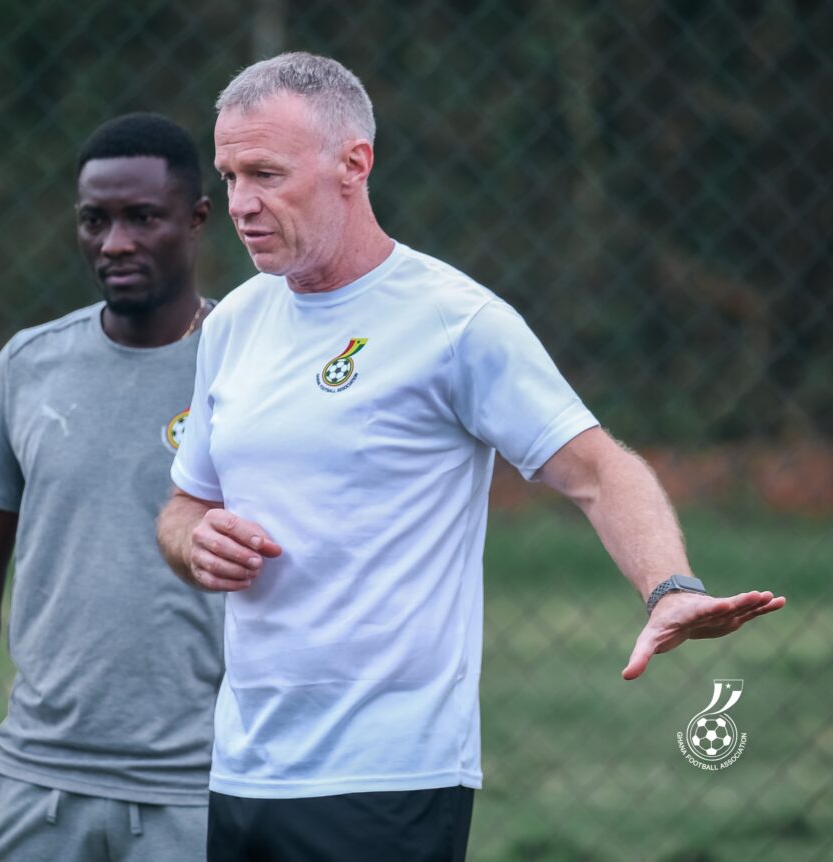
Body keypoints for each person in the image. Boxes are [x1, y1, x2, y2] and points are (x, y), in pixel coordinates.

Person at [155, 53, 786, 862]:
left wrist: (669, 588)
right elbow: (187, 504)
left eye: (266, 174)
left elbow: (600, 471)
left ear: (354, 165)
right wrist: (194, 540)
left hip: (389, 775)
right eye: (231, 176)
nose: (240, 203)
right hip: (243, 768)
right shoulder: (233, 324)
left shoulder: (454, 322)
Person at [0, 112, 223, 862]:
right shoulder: (28, 367)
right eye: (95, 220)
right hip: (33, 784)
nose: (115, 242)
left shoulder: (253, 366)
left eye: (142, 218)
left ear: (197, 219)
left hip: (199, 789)